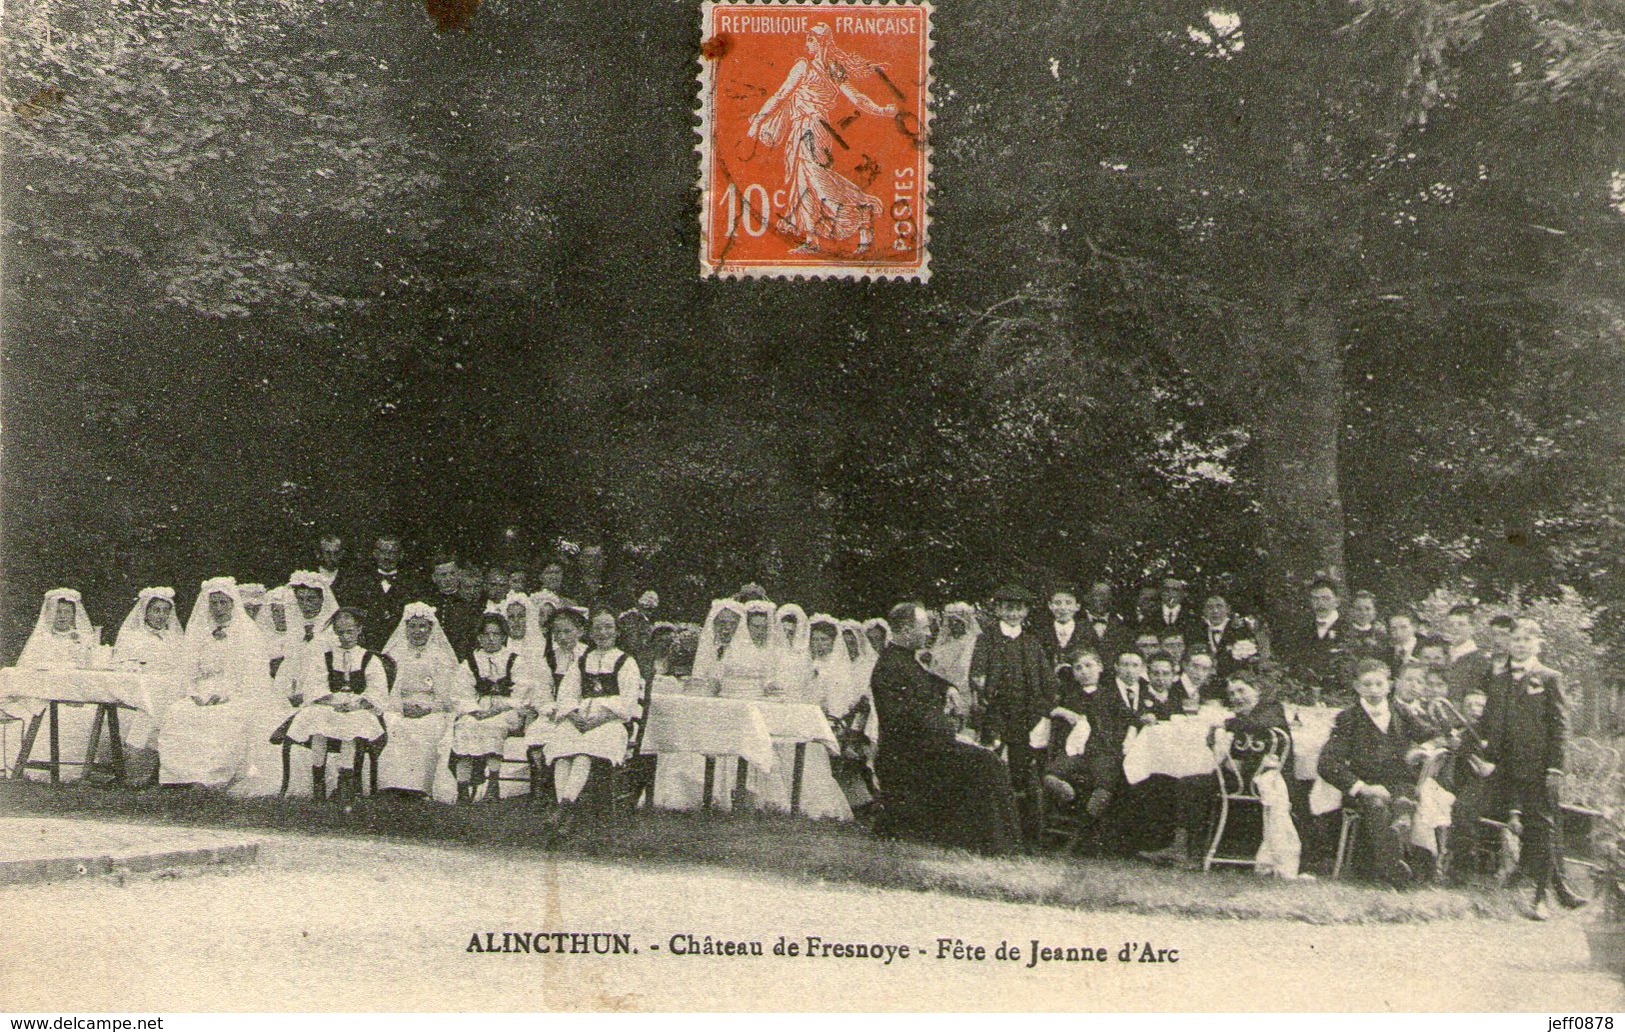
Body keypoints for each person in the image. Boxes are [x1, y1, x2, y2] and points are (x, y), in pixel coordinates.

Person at [870, 602, 1022, 854]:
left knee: (988, 761)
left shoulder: (904, 660)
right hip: (909, 755)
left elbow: (926, 680)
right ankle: (996, 847)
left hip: (925, 746)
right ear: (906, 630)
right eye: (925, 627)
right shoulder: (890, 667)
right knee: (987, 764)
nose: (930, 632)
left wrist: (947, 688)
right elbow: (904, 720)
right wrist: (950, 730)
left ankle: (998, 845)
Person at [746, 23, 895, 255]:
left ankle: (863, 210)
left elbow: (780, 96)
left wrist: (757, 122)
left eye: (809, 41)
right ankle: (813, 240)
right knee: (807, 181)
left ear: (816, 42)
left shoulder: (803, 66)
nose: (807, 45)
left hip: (808, 129)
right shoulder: (833, 68)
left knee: (816, 182)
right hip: (819, 130)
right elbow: (859, 100)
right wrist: (881, 110)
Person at [1478, 618, 1587, 919]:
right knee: (1510, 818)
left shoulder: (1549, 677)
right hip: (1503, 766)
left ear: (1538, 643)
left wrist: (1555, 767)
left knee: (1541, 826)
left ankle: (1541, 897)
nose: (1521, 644)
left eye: (1528, 639)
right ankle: (1559, 886)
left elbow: (1561, 727)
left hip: (1537, 766)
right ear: (1508, 643)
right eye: (1516, 639)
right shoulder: (1498, 679)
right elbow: (1490, 720)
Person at [1316, 658, 1434, 886]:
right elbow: (1327, 763)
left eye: (1379, 684)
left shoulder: (1400, 712)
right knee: (1378, 807)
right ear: (1357, 687)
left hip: (1401, 783)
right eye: (1367, 685)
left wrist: (1422, 750)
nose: (1373, 690)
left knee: (1403, 803)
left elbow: (1432, 735)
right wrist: (1362, 787)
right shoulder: (1348, 718)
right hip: (1367, 785)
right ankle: (1392, 871)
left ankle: (1398, 860)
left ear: (1389, 685)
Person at [159, 578, 271, 790]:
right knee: (178, 711)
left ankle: (209, 778)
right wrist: (193, 693)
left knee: (222, 717)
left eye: (223, 603)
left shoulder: (247, 633)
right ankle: (179, 776)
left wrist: (225, 694)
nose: (218, 608)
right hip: (201, 690)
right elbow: (188, 670)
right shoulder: (199, 632)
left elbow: (252, 676)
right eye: (214, 603)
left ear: (233, 604)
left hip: (236, 692)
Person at [536, 610, 642, 827]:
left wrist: (597, 720)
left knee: (584, 754)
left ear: (617, 631)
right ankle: (563, 809)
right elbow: (567, 693)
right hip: (581, 718)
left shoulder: (626, 661)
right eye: (597, 628)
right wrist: (574, 717)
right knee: (564, 753)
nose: (602, 633)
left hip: (610, 721)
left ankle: (564, 808)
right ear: (590, 633)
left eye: (608, 627)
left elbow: (628, 702)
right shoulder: (583, 661)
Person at [969, 584, 1057, 841]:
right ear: (997, 610)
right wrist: (985, 694)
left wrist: (1041, 709)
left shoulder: (1032, 642)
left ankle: (1020, 833)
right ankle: (989, 831)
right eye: (1008, 608)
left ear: (1026, 611)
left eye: (1019, 608)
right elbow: (977, 676)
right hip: (995, 714)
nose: (1013, 614)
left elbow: (1048, 682)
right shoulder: (986, 639)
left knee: (1021, 772)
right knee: (991, 766)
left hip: (1025, 717)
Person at [282, 608, 388, 803]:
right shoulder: (326, 657)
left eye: (350, 631)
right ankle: (318, 782)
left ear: (359, 630)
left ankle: (345, 781)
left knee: (353, 722)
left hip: (357, 708)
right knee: (316, 719)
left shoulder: (369, 659)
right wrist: (332, 701)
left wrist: (356, 704)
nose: (345, 637)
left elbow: (377, 691)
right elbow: (315, 686)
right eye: (340, 632)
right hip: (331, 705)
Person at [378, 603, 470, 801]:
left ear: (430, 628)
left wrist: (427, 708)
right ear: (405, 628)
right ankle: (392, 784)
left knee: (428, 727)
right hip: (400, 706)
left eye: (422, 626)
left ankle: (420, 787)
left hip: (431, 708)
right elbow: (388, 689)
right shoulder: (395, 653)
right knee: (394, 724)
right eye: (412, 626)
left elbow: (446, 695)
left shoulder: (440, 656)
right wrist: (402, 707)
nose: (417, 632)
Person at [450, 614, 545, 802]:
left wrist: (497, 709)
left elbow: (522, 693)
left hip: (507, 709)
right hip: (478, 707)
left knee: (494, 726)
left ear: (503, 636)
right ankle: (463, 789)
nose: (491, 639)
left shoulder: (515, 660)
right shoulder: (470, 661)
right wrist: (475, 710)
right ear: (479, 637)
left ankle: (493, 785)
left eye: (496, 634)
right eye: (486, 635)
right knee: (465, 725)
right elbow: (461, 692)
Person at [1216, 672, 1299, 878]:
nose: (1236, 697)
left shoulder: (1271, 708)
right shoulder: (1243, 716)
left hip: (1269, 779)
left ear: (1258, 691)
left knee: (1202, 783)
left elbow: (1257, 724)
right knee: (1197, 782)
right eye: (1232, 693)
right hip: (1248, 777)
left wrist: (1224, 724)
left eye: (1241, 690)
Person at [111, 587, 185, 784]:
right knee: (150, 708)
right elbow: (121, 663)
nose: (161, 616)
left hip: (170, 688)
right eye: (156, 610)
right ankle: (136, 763)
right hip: (141, 689)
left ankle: (166, 768)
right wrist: (136, 667)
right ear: (146, 612)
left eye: (165, 611)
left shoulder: (176, 639)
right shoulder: (133, 636)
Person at [344, 534, 419, 648]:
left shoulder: (411, 584)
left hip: (401, 646)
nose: (387, 557)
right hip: (367, 645)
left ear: (401, 555)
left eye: (392, 553)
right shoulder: (359, 582)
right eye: (383, 552)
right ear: (375, 554)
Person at [1285, 578, 1345, 691]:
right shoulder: (1301, 629)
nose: (1321, 603)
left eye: (1326, 598)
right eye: (1315, 599)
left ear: (1337, 601)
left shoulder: (1348, 628)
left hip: (1340, 692)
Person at [1440, 604, 1492, 708]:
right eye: (1450, 625)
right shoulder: (1441, 655)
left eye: (1461, 624)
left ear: (1472, 628)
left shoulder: (1481, 661)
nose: (1455, 629)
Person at [1196, 594, 1257, 681]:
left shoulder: (1240, 631)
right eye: (1210, 607)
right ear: (1204, 611)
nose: (1215, 611)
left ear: (1228, 609)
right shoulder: (1199, 633)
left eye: (1219, 606)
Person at [1077, 581, 1126, 664]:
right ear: (1088, 598)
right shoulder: (1077, 622)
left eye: (1106, 596)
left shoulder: (1120, 624)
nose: (1102, 600)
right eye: (1098, 595)